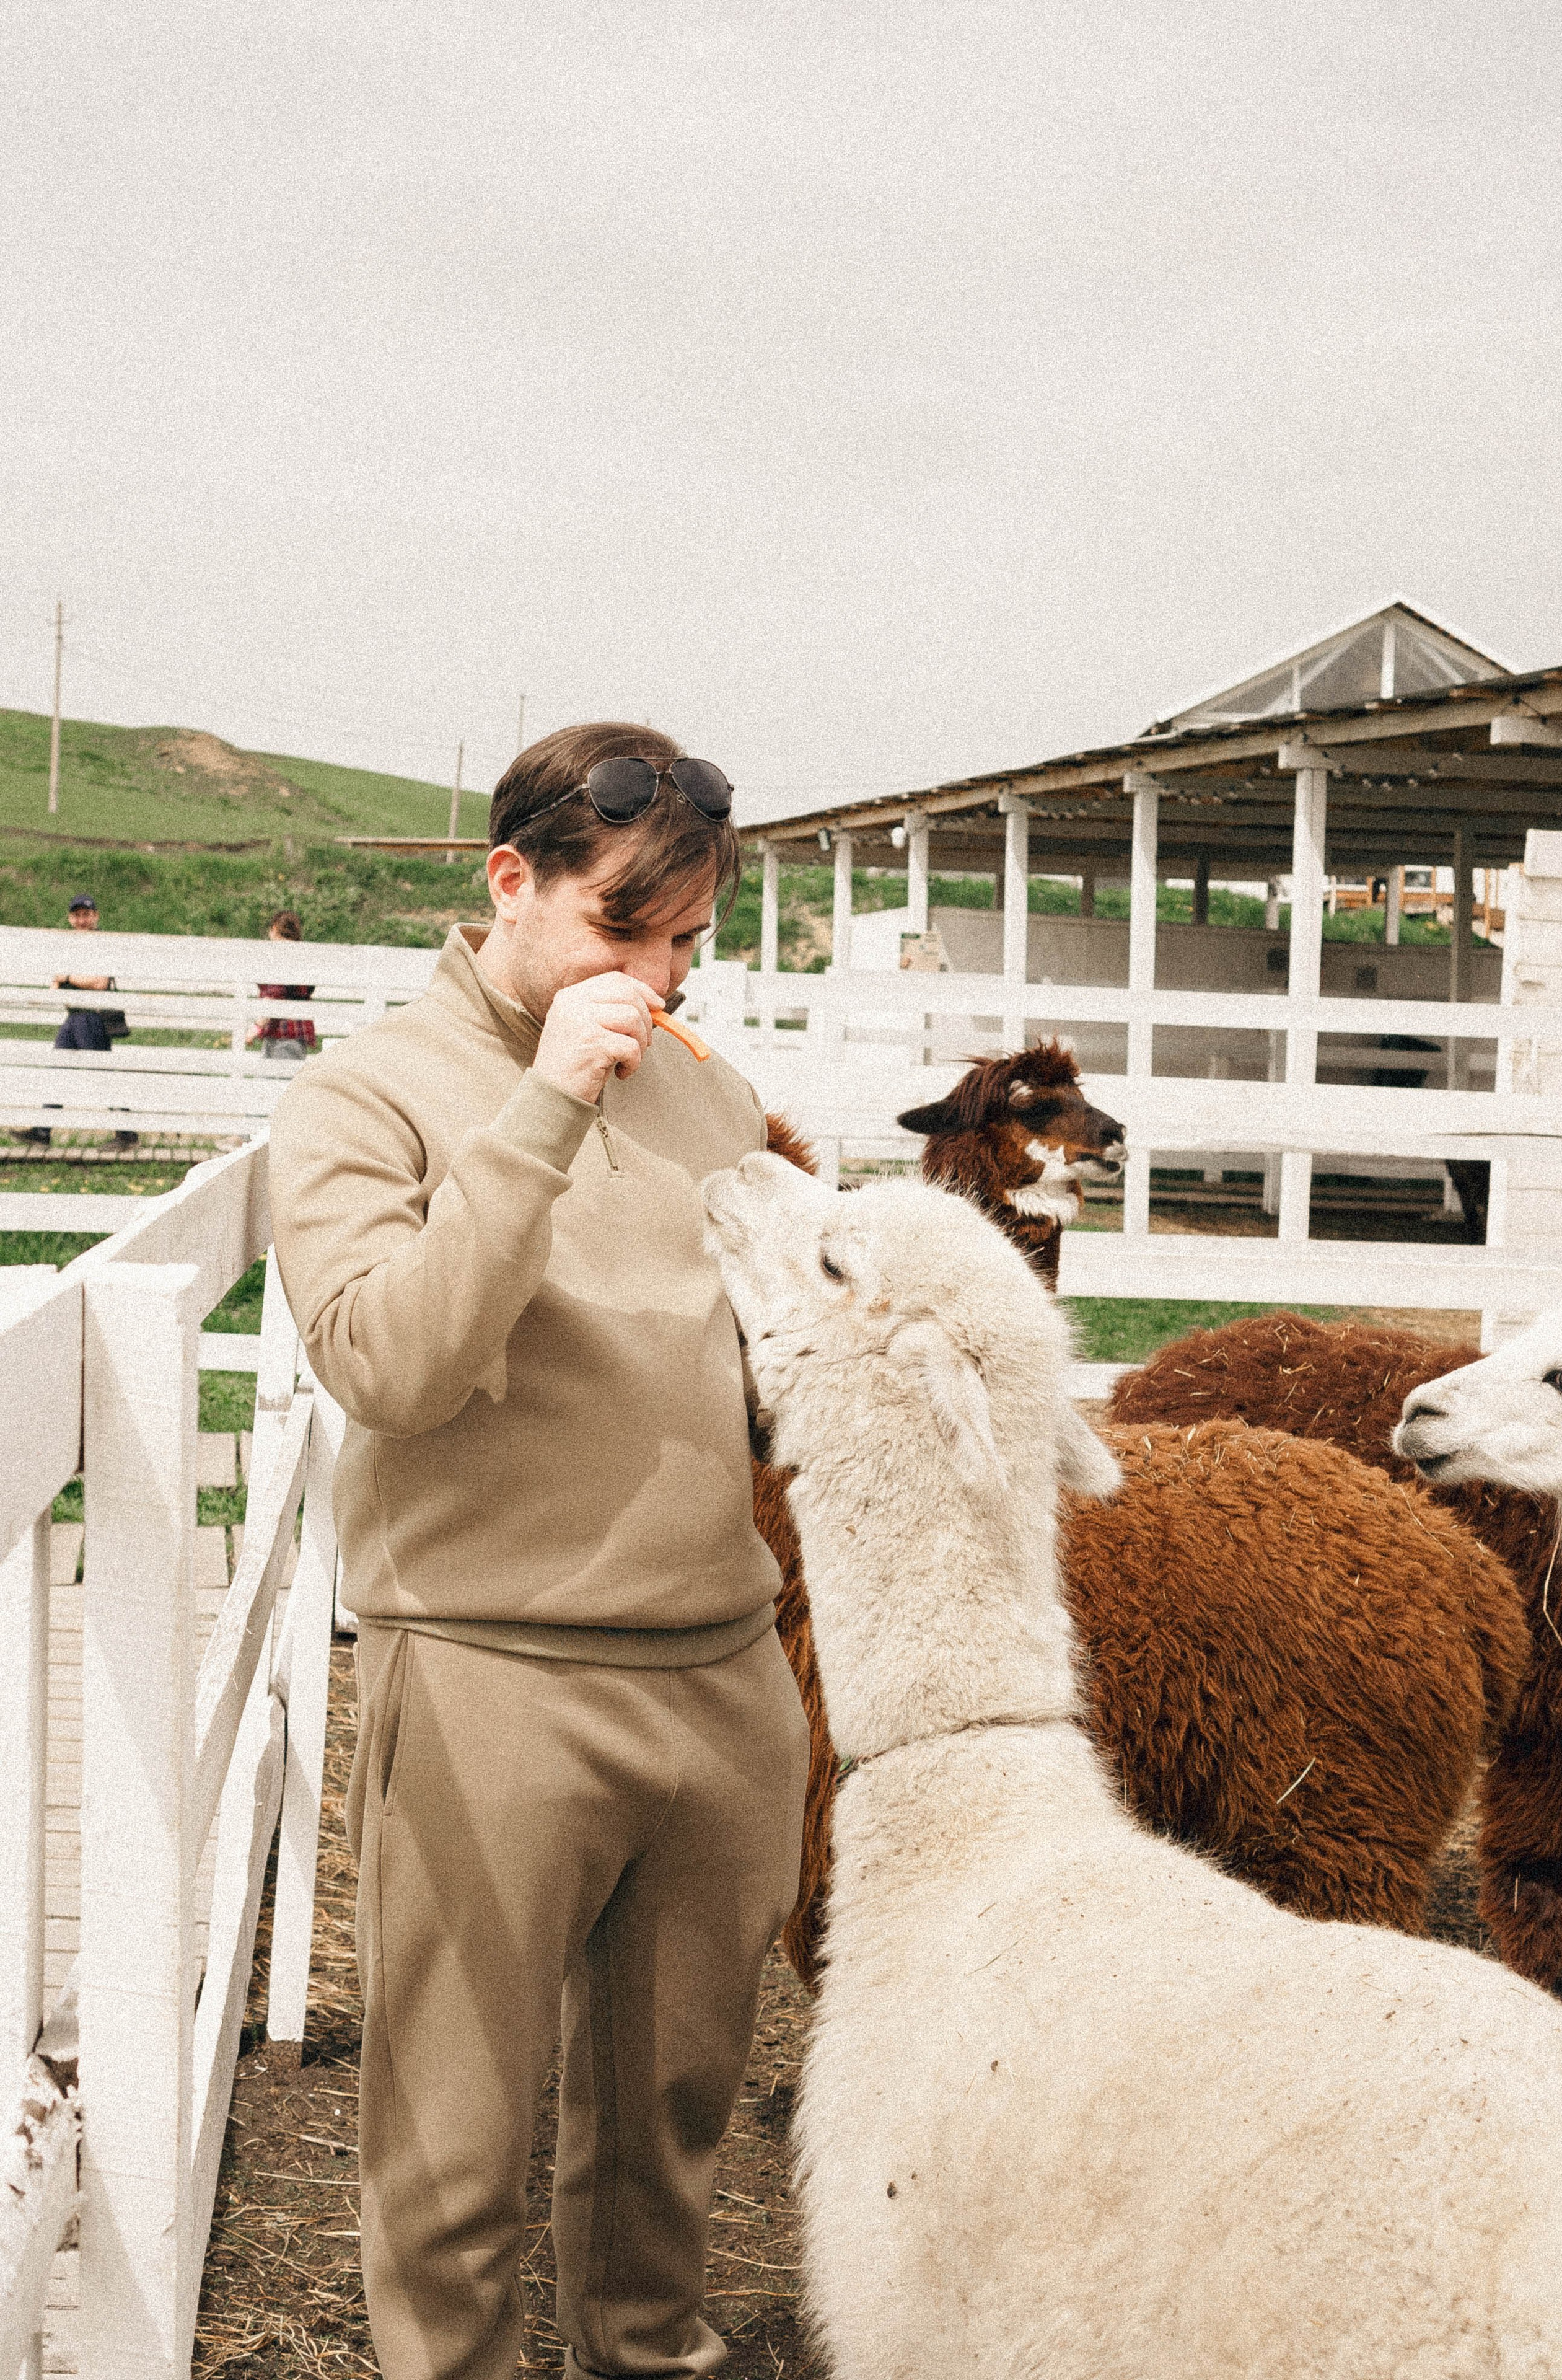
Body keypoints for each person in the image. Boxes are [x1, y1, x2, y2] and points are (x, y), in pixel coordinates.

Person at [268, 723, 808, 2380]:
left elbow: (773, 1358)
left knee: (671, 2138)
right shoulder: (366, 1094)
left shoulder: (715, 1094)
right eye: (618, 932)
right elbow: (390, 1365)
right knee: (453, 2145)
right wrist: (545, 1104)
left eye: (686, 948)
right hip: (496, 1668)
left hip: (724, 1671)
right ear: (510, 881)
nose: (655, 979)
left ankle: (651, 2357)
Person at [25, 892, 136, 1147]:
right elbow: (56, 981)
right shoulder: (69, 946)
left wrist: (68, 978)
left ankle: (128, 1132)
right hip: (75, 1016)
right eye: (77, 915)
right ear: (70, 918)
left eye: (86, 915)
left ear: (96, 916)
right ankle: (42, 1131)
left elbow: (99, 982)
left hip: (92, 1017)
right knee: (58, 1071)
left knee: (101, 1075)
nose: (82, 920)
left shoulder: (101, 944)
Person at [247, 908, 318, 1061]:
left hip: (280, 1032)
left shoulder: (281, 956)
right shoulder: (304, 958)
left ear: (274, 929)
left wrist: (257, 1027)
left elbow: (275, 994)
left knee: (271, 1081)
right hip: (298, 1032)